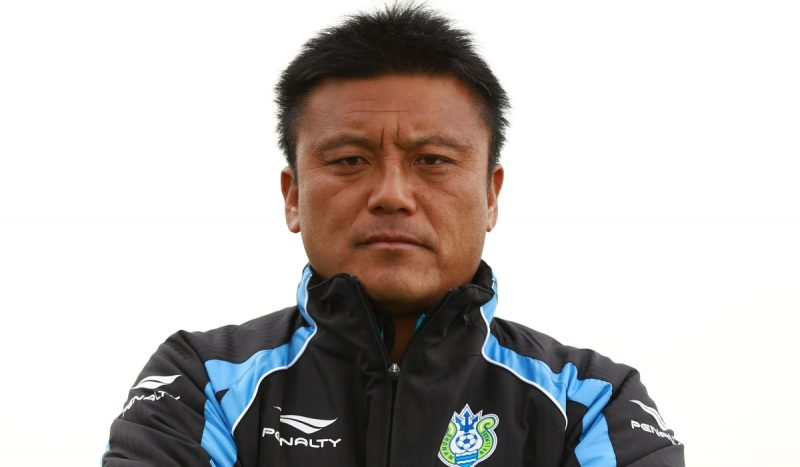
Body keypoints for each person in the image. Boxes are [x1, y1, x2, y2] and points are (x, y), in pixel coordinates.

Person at [103, 5, 684, 466]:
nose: (392, 194)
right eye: (350, 160)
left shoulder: (591, 401)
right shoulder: (202, 381)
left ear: (490, 196)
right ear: (293, 196)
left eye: (432, 160)